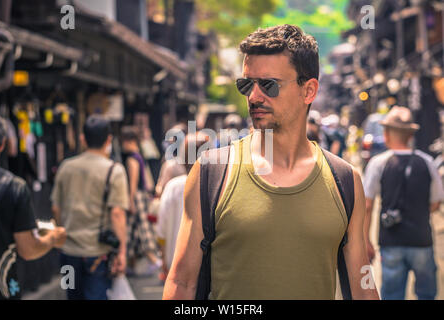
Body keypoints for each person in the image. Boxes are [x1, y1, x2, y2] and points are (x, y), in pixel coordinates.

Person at [163, 24, 379, 300]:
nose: (253, 97)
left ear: (309, 91)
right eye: (246, 85)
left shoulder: (345, 181)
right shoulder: (211, 174)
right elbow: (182, 283)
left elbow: (363, 286)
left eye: (268, 85)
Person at [364, 106, 444, 300]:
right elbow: (435, 203)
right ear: (410, 135)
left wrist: (366, 240)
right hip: (421, 240)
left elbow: (367, 205)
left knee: (392, 295)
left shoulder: (378, 163)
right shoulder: (427, 162)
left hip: (391, 241)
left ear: (387, 134)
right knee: (426, 295)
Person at [51, 115, 129, 300]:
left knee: (72, 296)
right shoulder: (114, 170)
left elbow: (56, 208)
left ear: (82, 138)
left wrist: (63, 236)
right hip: (97, 253)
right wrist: (122, 252)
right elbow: (117, 214)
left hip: (69, 252)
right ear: (109, 139)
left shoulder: (66, 167)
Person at [0, 113, 66, 300]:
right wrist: (53, 238)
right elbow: (27, 249)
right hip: (0, 287)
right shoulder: (13, 187)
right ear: (2, 145)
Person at [156, 132, 207, 280]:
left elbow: (162, 229)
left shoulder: (173, 186)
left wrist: (164, 259)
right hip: (206, 268)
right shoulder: (215, 185)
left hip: (175, 264)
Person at [120, 126, 161, 277]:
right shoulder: (139, 155)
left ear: (128, 140)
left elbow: (133, 181)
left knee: (141, 229)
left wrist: (130, 200)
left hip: (136, 196)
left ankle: (154, 260)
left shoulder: (132, 158)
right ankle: (132, 264)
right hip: (141, 195)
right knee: (135, 230)